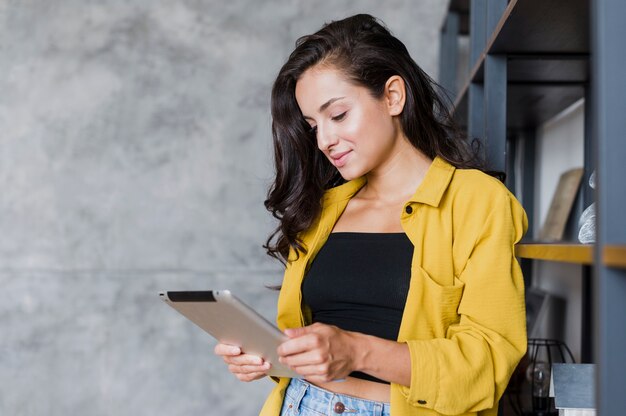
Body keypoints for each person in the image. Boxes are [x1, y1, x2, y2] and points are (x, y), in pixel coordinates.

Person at [215, 13, 528, 416]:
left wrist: (357, 351)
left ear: (393, 96)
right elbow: (315, 340)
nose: (325, 140)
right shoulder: (323, 209)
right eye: (313, 126)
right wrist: (271, 356)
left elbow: (488, 364)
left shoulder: (477, 201)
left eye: (338, 115)